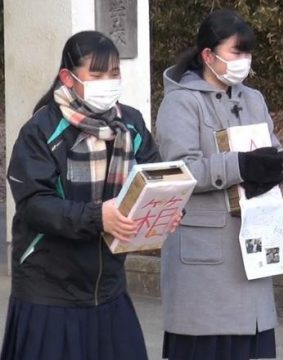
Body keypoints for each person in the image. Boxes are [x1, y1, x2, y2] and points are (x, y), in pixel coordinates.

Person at [1, 31, 162, 360]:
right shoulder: (41, 130)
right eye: (98, 74)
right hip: (50, 289)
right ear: (68, 77)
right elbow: (34, 205)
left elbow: (152, 177)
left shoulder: (129, 124)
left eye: (114, 73)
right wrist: (98, 216)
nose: (109, 82)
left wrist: (166, 208)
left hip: (108, 286)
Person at [155, 9, 283, 360]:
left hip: (253, 246)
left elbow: (269, 144)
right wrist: (241, 165)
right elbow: (181, 170)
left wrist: (279, 162)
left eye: (248, 53)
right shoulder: (181, 101)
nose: (244, 61)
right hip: (203, 259)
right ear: (208, 54)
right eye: (237, 52)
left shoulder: (253, 98)